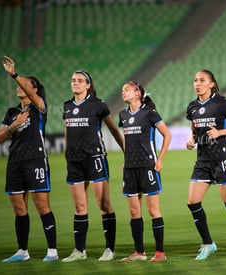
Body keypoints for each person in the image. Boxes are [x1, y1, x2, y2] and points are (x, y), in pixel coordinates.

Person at [186, 69, 226, 260]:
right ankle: (208, 244)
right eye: (195, 80)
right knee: (193, 202)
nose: (197, 83)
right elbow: (194, 130)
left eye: (202, 80)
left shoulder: (223, 103)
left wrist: (220, 133)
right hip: (203, 160)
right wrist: (192, 140)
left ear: (212, 84)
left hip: (223, 159)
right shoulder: (192, 107)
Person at [0, 56, 58, 262]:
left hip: (35, 160)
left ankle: (52, 251)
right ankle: (22, 251)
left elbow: (32, 93)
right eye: (18, 82)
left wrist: (14, 74)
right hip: (15, 162)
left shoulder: (39, 107)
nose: (19, 85)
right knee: (19, 208)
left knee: (42, 206)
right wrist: (15, 124)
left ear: (34, 90)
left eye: (24, 83)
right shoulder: (12, 112)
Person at [62, 69, 125, 262]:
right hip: (74, 161)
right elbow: (67, 132)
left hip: (95, 158)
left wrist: (127, 153)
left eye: (80, 80)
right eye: (73, 80)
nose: (76, 83)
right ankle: (79, 251)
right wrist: (67, 154)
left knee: (103, 204)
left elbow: (114, 130)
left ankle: (110, 250)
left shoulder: (98, 105)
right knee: (80, 206)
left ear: (88, 85)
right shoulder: (66, 106)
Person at [118, 81, 171, 262]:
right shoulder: (123, 115)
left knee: (153, 210)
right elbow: (128, 141)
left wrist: (160, 158)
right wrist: (126, 161)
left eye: (127, 89)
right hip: (130, 168)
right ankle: (139, 252)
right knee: (134, 212)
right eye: (122, 90)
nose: (123, 92)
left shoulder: (150, 113)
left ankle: (160, 253)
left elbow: (167, 135)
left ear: (138, 93)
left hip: (148, 166)